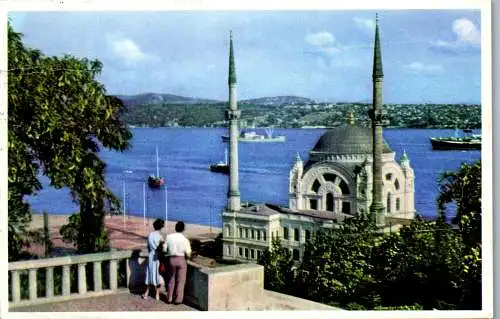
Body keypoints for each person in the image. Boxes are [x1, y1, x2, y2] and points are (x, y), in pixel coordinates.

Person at [164, 221, 192, 305]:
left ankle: (169, 298)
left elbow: (164, 249)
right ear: (183, 229)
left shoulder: (169, 237)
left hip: (171, 259)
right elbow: (188, 253)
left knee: (171, 279)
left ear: (175, 228)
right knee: (181, 280)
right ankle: (178, 299)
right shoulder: (185, 239)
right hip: (181, 259)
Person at [142, 218, 165, 300]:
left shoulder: (150, 235)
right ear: (161, 227)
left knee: (149, 274)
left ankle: (146, 293)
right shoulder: (160, 236)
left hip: (151, 256)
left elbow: (148, 247)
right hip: (157, 257)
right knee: (157, 274)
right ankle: (157, 294)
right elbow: (162, 248)